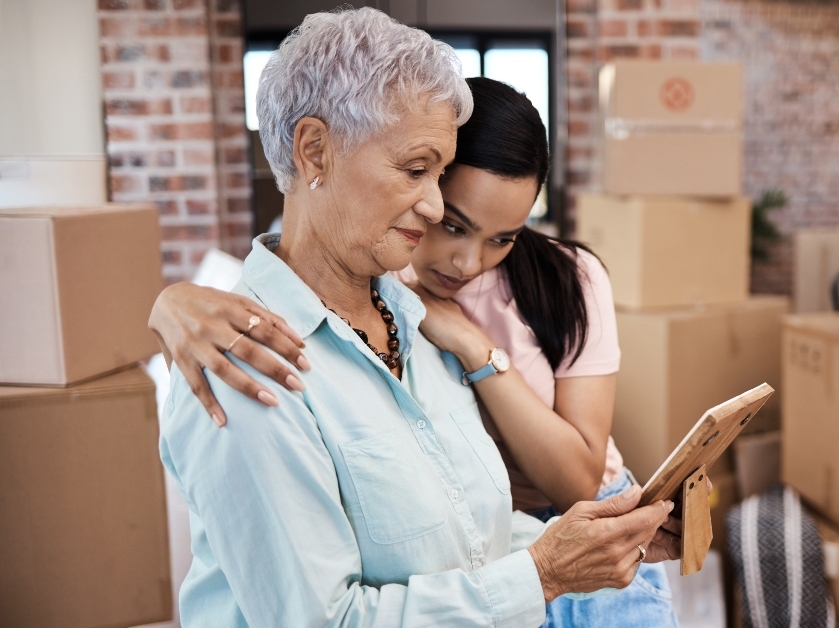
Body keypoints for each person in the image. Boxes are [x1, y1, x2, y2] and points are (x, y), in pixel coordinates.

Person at [154, 9, 679, 626]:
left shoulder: (411, 320)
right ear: (314, 151)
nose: (433, 206)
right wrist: (544, 572)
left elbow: (466, 532)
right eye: (414, 170)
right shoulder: (246, 361)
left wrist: (581, 543)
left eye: (439, 174)